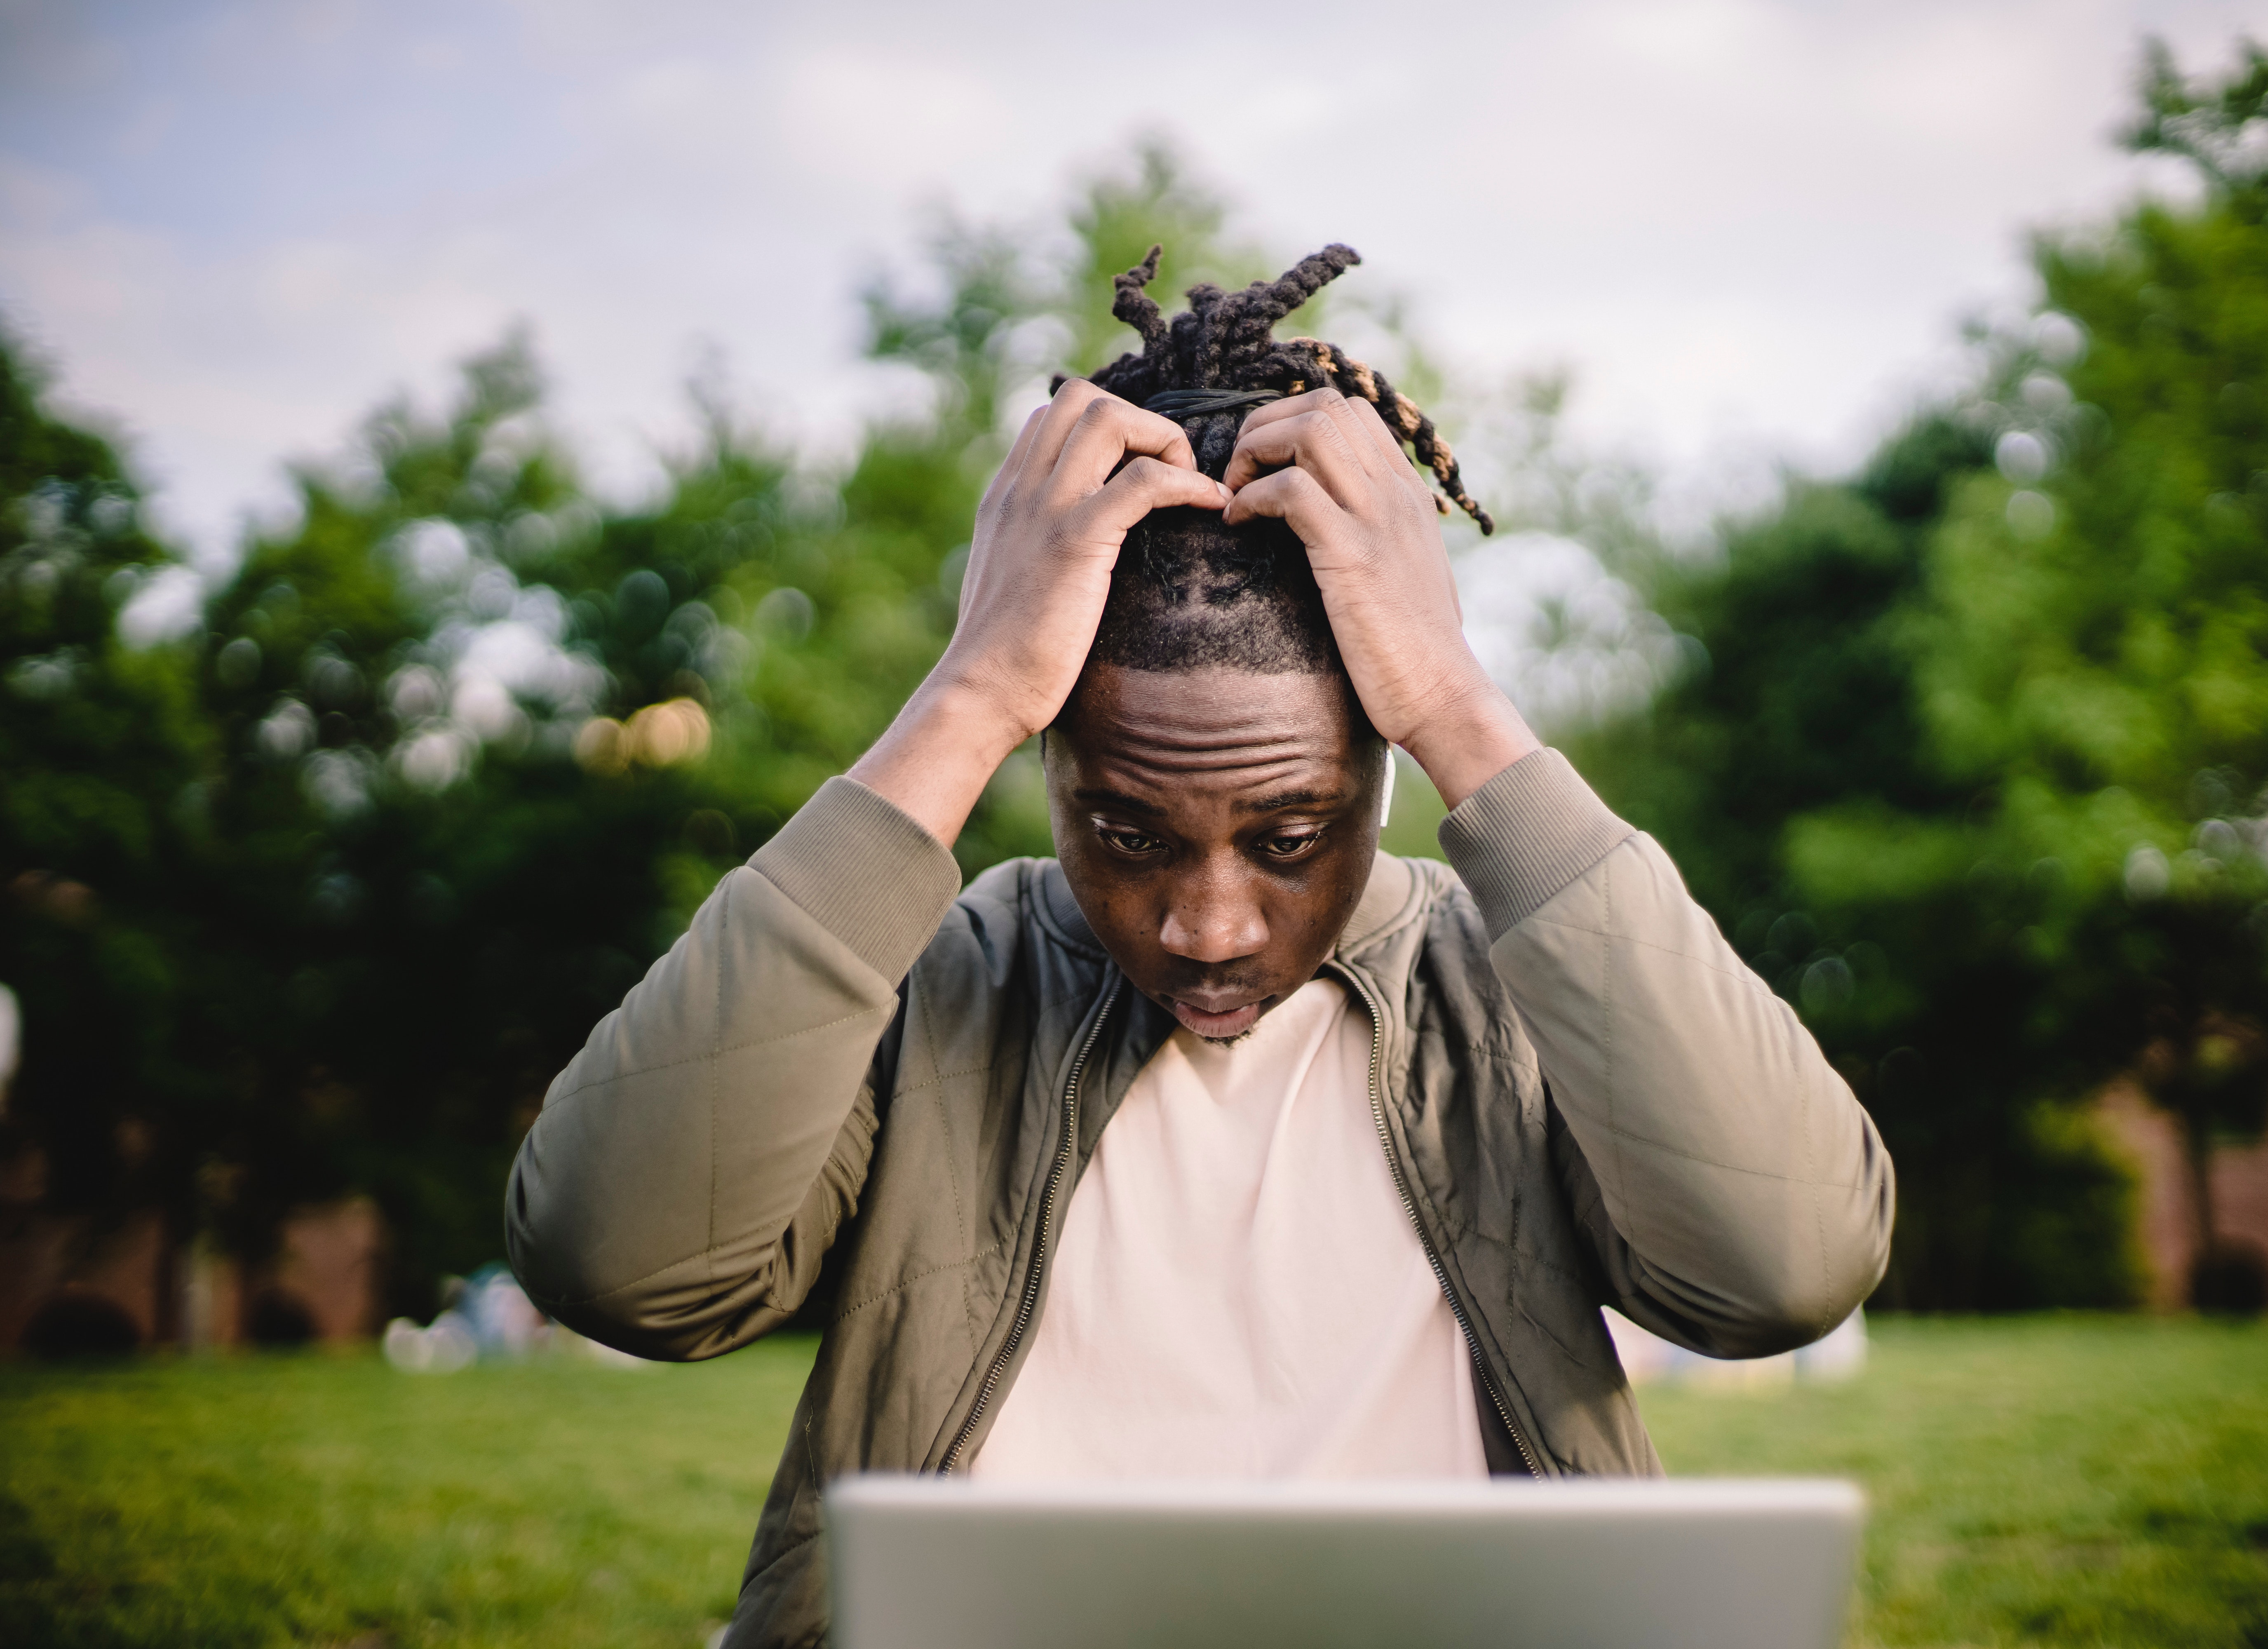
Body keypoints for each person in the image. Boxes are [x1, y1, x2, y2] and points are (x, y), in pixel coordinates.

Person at [505, 243, 1895, 1647]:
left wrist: (1462, 703)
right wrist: (969, 689)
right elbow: (618, 1265)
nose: (1208, 927)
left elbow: (1783, 1266)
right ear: (1047, 764)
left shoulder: (1523, 986)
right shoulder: (934, 981)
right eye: (1128, 833)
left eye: (1289, 839)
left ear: (1382, 769)